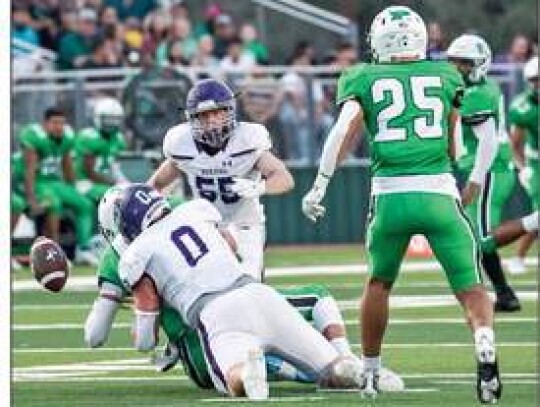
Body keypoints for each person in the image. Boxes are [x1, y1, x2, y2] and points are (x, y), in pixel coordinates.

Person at [301, 6, 502, 403]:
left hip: (390, 196)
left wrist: (319, 186)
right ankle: (484, 341)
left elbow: (342, 130)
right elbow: (457, 145)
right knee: (471, 287)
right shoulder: (446, 74)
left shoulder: (362, 76)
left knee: (379, 283)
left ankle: (372, 371)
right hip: (440, 193)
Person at [85, 185, 405, 392]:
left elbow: (143, 341)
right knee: (331, 369)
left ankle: (251, 376)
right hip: (257, 294)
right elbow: (232, 243)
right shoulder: (196, 211)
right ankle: (364, 372)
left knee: (235, 378)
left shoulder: (135, 254)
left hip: (215, 313)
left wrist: (144, 314)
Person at [148, 78, 294, 279]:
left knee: (249, 284)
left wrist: (259, 187)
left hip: (245, 226)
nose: (211, 121)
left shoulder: (247, 139)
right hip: (205, 227)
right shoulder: (182, 144)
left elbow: (284, 178)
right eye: (203, 116)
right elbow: (155, 185)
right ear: (192, 119)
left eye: (217, 113)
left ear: (230, 111)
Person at [446, 34, 521, 312]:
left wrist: (475, 181)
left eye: (464, 63)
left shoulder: (478, 92)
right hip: (484, 166)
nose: (457, 68)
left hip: (490, 168)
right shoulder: (470, 88)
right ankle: (504, 294)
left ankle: (504, 293)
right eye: (454, 62)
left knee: (480, 236)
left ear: (479, 64)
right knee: (474, 236)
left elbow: (487, 142)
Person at [19, 107, 98, 265]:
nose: (58, 127)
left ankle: (83, 249)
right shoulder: (34, 136)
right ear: (45, 124)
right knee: (54, 203)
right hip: (39, 182)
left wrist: (74, 187)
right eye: (55, 123)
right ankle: (55, 252)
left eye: (61, 123)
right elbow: (29, 170)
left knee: (84, 204)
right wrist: (31, 198)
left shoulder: (67, 136)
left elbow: (67, 165)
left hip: (55, 183)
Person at [507, 56, 539, 274]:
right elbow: (514, 144)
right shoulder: (523, 106)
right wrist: (523, 167)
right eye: (535, 80)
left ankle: (518, 258)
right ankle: (517, 257)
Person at [75, 97, 127, 203]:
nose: (111, 123)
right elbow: (90, 172)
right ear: (97, 117)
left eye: (114, 119)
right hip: (85, 182)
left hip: (106, 181)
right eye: (107, 119)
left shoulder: (118, 139)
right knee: (117, 198)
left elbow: (114, 167)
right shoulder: (88, 137)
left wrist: (124, 183)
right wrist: (112, 183)